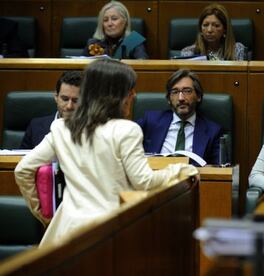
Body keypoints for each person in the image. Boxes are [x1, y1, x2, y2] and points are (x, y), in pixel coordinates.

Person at [14, 59, 198, 247]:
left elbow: (23, 170)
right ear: (114, 95)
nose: (133, 95)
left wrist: (43, 213)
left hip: (65, 231)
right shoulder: (126, 130)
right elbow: (144, 182)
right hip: (109, 233)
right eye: (130, 89)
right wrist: (182, 170)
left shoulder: (61, 127)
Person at [137, 69, 222, 165]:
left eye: (187, 91)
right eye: (175, 92)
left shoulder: (212, 131)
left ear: (198, 96)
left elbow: (218, 169)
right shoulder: (150, 120)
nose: (181, 98)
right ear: (169, 99)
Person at [20, 71, 82, 149]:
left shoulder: (92, 129)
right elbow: (20, 158)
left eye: (75, 100)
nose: (69, 106)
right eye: (65, 99)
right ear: (56, 97)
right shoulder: (35, 127)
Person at [83, 1, 148, 59]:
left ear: (125, 22)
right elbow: (79, 68)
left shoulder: (134, 41)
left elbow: (143, 68)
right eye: (105, 20)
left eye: (114, 19)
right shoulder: (92, 44)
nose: (109, 24)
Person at [180, 3, 246, 61]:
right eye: (205, 25)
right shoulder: (188, 52)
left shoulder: (236, 50)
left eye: (216, 26)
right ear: (200, 29)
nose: (209, 30)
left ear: (225, 29)